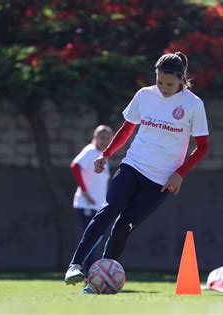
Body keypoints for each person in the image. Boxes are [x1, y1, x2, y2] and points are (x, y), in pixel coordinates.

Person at [64, 51, 210, 293]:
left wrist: (180, 173)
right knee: (108, 210)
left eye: (170, 84)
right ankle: (75, 264)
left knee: (122, 228)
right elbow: (127, 128)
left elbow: (203, 147)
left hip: (161, 182)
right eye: (160, 81)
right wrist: (106, 154)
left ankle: (99, 281)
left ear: (181, 79)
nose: (163, 88)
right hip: (133, 166)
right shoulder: (144, 95)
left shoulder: (193, 105)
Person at [70, 125, 113, 273]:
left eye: (108, 138)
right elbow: (75, 166)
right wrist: (85, 192)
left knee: (94, 240)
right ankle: (87, 274)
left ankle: (89, 273)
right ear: (95, 137)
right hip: (86, 204)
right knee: (90, 239)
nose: (105, 140)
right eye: (102, 137)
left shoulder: (102, 154)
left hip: (97, 206)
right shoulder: (90, 151)